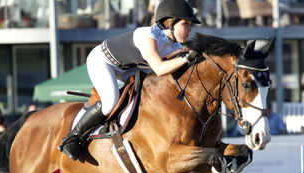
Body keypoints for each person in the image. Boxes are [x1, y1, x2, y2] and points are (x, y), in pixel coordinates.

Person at [57, 0, 201, 160]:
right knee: (110, 102)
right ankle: (72, 138)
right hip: (103, 61)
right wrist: (186, 59)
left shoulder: (174, 45)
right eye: (186, 24)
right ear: (170, 23)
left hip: (129, 67)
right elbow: (160, 69)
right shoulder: (148, 37)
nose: (190, 29)